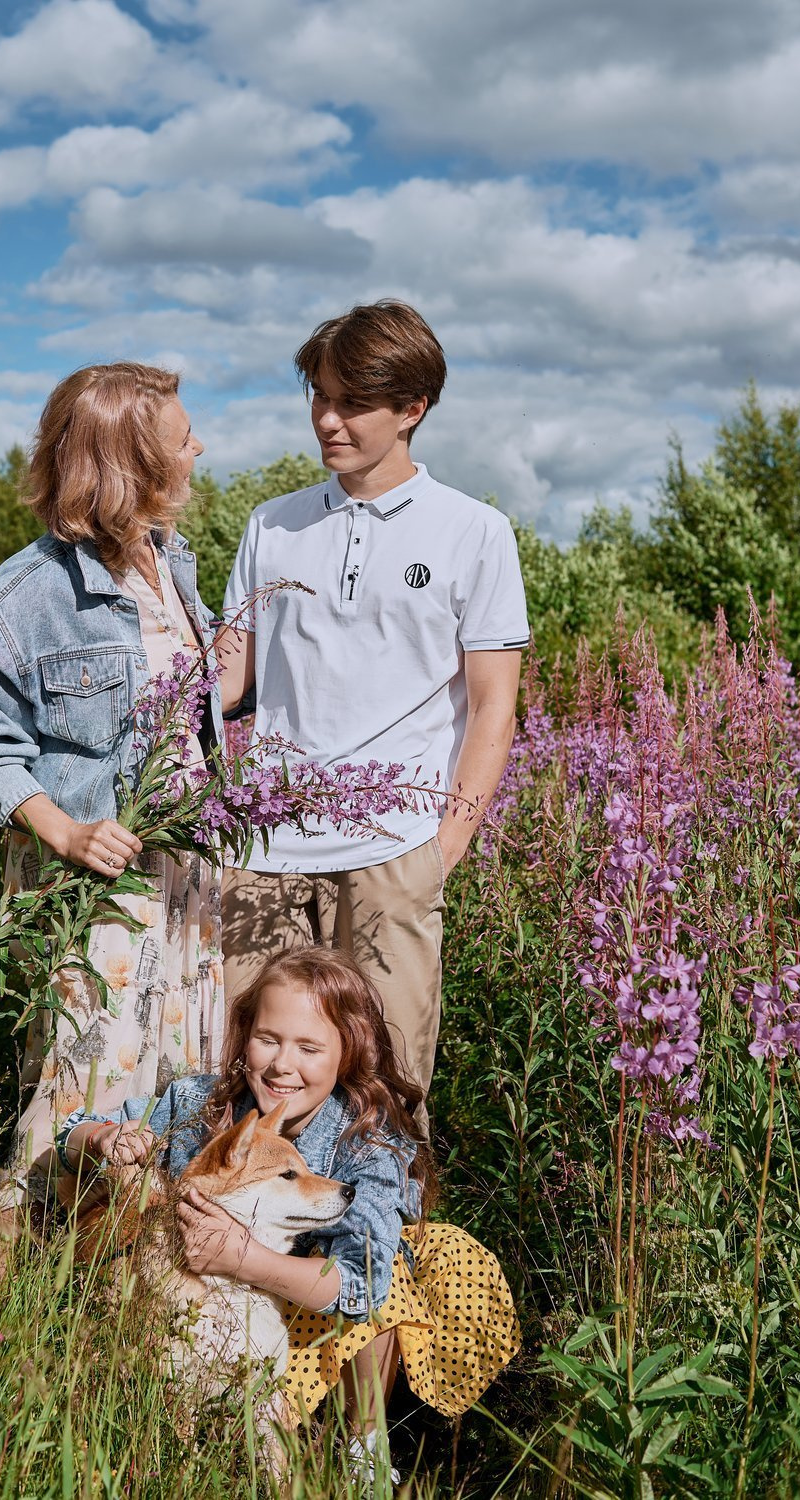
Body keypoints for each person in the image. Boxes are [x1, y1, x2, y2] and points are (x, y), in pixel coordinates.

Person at [0, 362, 226, 1214]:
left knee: (175, 1085)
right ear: (134, 461)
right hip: (90, 882)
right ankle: (19, 1275)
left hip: (183, 875)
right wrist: (64, 830)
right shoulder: (28, 595)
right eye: (181, 438)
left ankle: (131, 1275)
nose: (198, 446)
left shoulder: (174, 565)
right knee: (83, 1081)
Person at [217, 300, 528, 1097]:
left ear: (412, 408)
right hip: (264, 851)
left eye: (352, 402)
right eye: (319, 396)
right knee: (253, 1080)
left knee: (385, 1084)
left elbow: (493, 707)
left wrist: (439, 850)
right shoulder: (271, 526)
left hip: (395, 850)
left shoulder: (473, 532)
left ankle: (388, 1227)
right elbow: (225, 680)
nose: (327, 419)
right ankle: (250, 1227)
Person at [56, 946, 520, 1469]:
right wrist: (104, 1139)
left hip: (327, 1304)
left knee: (384, 1274)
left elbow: (361, 1285)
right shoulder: (200, 1104)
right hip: (227, 1309)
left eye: (309, 1048)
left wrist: (242, 1259)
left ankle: (362, 1447)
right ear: (244, 1035)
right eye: (268, 1040)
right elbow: (72, 1130)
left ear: (347, 1053)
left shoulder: (369, 1143)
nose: (282, 1065)